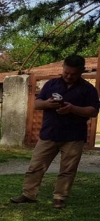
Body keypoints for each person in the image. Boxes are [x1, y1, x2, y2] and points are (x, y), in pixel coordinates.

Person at [10, 55, 100, 209]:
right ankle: (28, 194)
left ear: (81, 72)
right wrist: (48, 104)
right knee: (36, 166)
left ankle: (60, 198)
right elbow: (37, 104)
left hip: (74, 136)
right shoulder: (51, 84)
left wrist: (72, 108)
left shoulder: (88, 89)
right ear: (63, 68)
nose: (69, 76)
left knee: (68, 169)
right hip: (49, 133)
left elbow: (93, 111)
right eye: (66, 72)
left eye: (73, 74)